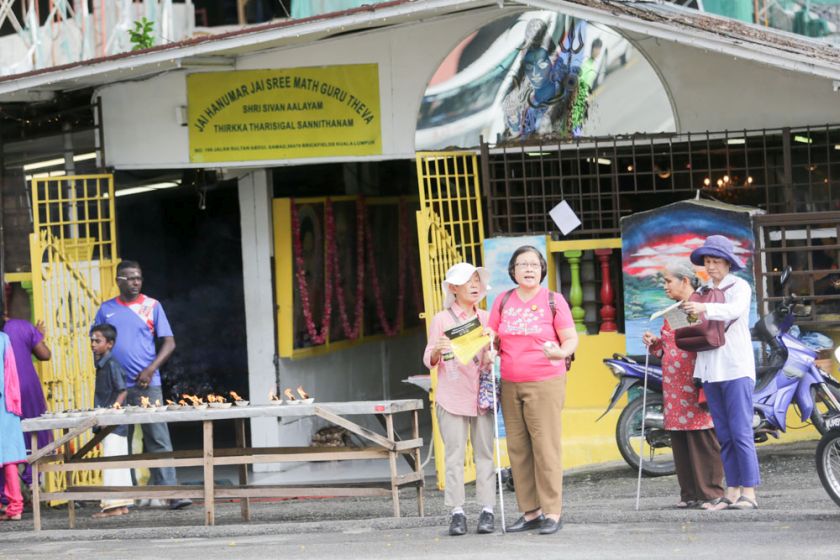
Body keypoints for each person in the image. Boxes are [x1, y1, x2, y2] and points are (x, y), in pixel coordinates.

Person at [487, 246, 578, 535]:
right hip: (510, 382)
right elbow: (492, 335)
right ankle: (531, 512)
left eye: (534, 264)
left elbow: (570, 338)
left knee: (545, 447)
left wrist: (560, 353)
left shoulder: (554, 300)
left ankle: (552, 512)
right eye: (522, 264)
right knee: (518, 448)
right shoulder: (502, 300)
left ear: (542, 269)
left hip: (545, 381)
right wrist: (489, 349)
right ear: (512, 270)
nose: (528, 269)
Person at [92, 260, 191, 510]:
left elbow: (169, 343)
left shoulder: (152, 306)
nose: (136, 282)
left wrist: (151, 369)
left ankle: (171, 492)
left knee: (157, 436)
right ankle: (127, 495)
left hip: (148, 384)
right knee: (119, 439)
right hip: (117, 389)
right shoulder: (106, 310)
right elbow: (97, 344)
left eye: (139, 278)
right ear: (119, 280)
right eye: (131, 278)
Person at [682, 235, 759, 511]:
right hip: (710, 371)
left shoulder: (740, 286)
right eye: (707, 261)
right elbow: (689, 325)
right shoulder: (701, 290)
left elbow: (735, 310)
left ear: (728, 262)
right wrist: (680, 314)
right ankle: (732, 493)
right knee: (724, 435)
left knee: (741, 432)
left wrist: (703, 307)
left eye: (716, 261)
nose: (711, 266)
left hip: (736, 367)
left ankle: (749, 492)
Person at [643, 260, 725, 509]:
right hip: (675, 385)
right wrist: (656, 344)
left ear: (685, 281)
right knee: (680, 438)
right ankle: (690, 493)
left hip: (694, 381)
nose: (665, 286)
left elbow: (702, 339)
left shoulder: (696, 306)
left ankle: (710, 492)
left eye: (668, 281)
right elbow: (672, 347)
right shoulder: (675, 310)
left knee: (701, 436)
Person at [423, 263, 495, 536]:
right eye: (468, 281)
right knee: (453, 455)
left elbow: (493, 355)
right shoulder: (441, 319)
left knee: (485, 454)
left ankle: (487, 509)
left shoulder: (487, 318)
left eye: (477, 280)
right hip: (451, 394)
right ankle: (457, 512)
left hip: (481, 395)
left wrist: (491, 354)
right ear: (453, 288)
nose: (475, 285)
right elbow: (429, 358)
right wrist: (437, 351)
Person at [2, 314, 52, 493]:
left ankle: (5, 495)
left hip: (4, 391)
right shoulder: (21, 326)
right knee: (34, 433)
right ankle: (32, 482)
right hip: (26, 388)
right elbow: (45, 355)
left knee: (4, 439)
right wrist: (36, 337)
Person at [90, 324, 133, 518]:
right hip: (111, 421)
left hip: (112, 422)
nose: (92, 344)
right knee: (118, 460)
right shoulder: (102, 363)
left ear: (110, 344)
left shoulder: (112, 364)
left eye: (97, 341)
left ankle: (114, 506)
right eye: (92, 340)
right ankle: (121, 505)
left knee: (112, 461)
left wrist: (112, 414)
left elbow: (122, 390)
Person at [0, 327, 24, 521]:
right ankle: (15, 507)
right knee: (8, 458)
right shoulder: (4, 339)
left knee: (8, 458)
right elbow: (11, 375)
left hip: (5, 404)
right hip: (6, 403)